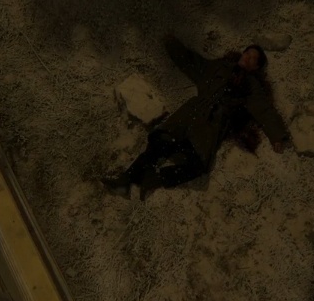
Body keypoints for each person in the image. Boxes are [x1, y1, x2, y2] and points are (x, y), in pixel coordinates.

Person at [102, 34, 291, 200]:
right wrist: (172, 45)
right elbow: (192, 62)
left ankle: (155, 179)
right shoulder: (219, 67)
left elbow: (265, 111)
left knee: (197, 165)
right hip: (188, 115)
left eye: (253, 58)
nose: (247, 57)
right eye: (247, 53)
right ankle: (125, 181)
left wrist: (277, 136)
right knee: (159, 145)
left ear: (256, 67)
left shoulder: (252, 87)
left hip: (209, 126)